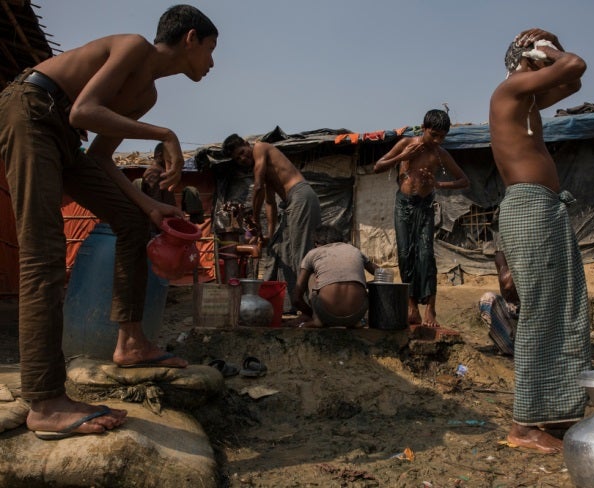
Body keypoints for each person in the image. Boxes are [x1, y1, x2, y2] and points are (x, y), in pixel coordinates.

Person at [0, 5, 217, 438]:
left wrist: (148, 205)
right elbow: (83, 111)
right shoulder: (132, 46)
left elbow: (99, 157)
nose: (212, 63)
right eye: (211, 51)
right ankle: (44, 401)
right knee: (44, 255)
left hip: (64, 135)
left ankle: (132, 343)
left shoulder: (146, 96)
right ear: (190, 39)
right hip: (32, 108)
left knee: (134, 222)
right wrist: (165, 135)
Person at [488, 28, 591, 454]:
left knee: (566, 307)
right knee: (540, 311)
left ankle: (559, 411)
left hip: (545, 207)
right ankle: (524, 426)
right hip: (529, 208)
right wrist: (546, 49)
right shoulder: (509, 89)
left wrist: (550, 54)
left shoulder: (529, 98)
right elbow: (574, 65)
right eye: (542, 51)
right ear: (526, 56)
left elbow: (573, 82)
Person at [373, 109, 469, 327]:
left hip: (425, 206)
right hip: (404, 205)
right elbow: (378, 166)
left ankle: (431, 310)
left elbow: (464, 181)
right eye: (433, 135)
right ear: (424, 128)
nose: (437, 140)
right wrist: (402, 157)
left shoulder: (440, 154)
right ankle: (411, 307)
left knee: (426, 255)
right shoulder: (407, 144)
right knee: (406, 254)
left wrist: (439, 184)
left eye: (442, 137)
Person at [222, 134, 321, 311]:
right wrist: (269, 232)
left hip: (300, 197)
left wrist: (252, 217)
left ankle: (312, 308)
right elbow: (269, 203)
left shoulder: (261, 148)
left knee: (301, 253)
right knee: (279, 247)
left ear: (247, 144)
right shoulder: (265, 169)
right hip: (290, 204)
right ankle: (291, 305)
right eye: (238, 158)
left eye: (243, 152)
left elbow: (258, 186)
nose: (243, 158)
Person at [290, 224, 377, 328]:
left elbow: (296, 299)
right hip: (357, 314)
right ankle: (356, 322)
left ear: (316, 243)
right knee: (374, 282)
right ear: (341, 240)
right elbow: (381, 273)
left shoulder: (313, 253)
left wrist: (310, 313)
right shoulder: (354, 250)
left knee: (312, 276)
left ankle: (317, 319)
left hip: (326, 314)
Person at [479, 250, 519, 355]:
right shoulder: (501, 256)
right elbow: (507, 284)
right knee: (488, 299)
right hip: (515, 317)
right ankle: (509, 346)